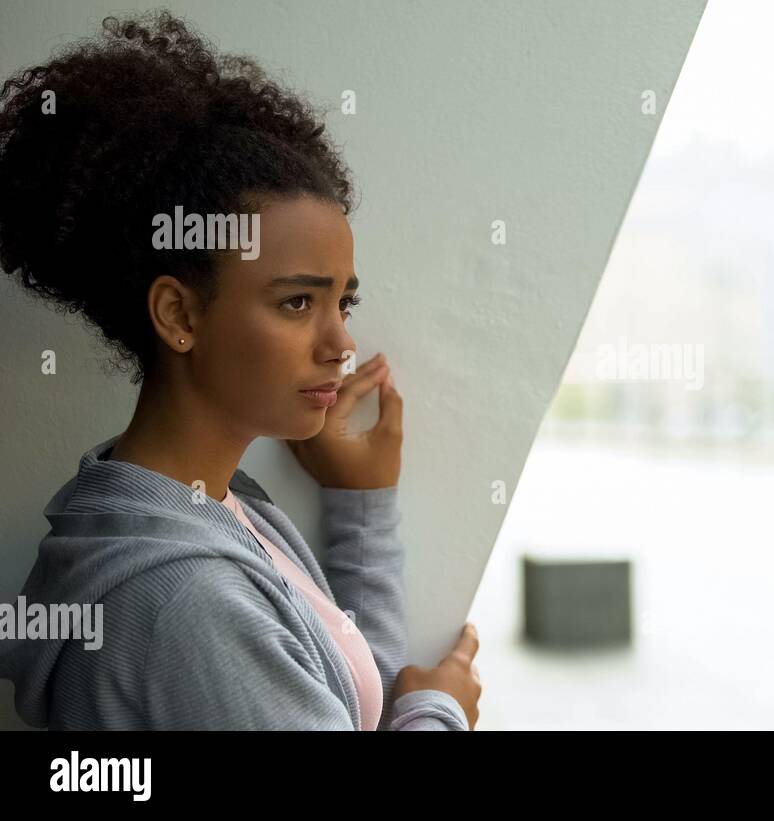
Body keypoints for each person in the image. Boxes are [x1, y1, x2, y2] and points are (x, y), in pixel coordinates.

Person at [0, 12, 480, 731]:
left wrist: (361, 507)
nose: (340, 343)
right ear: (179, 315)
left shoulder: (214, 507)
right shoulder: (182, 597)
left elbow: (347, 699)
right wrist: (442, 712)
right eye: (296, 301)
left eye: (341, 301)